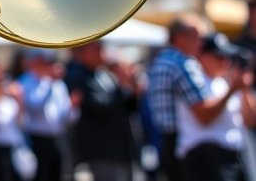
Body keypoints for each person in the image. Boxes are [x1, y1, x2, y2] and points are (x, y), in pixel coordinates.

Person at [146, 14, 247, 181]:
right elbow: (203, 112)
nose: (200, 42)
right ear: (179, 37)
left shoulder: (161, 60)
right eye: (196, 36)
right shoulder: (181, 63)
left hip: (166, 140)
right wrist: (232, 89)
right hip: (184, 145)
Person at [175, 33, 256, 181]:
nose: (225, 62)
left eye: (227, 57)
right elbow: (205, 117)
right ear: (202, 56)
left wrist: (244, 88)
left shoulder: (224, 82)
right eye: (219, 57)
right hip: (205, 159)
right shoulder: (194, 81)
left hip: (233, 157)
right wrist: (233, 90)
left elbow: (251, 120)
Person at [66, 41, 139, 181]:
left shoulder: (105, 75)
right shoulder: (77, 77)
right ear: (82, 53)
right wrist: (123, 87)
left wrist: (132, 88)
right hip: (102, 150)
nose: (101, 52)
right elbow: (101, 108)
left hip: (121, 147)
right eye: (96, 48)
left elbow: (128, 108)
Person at [18, 48, 76, 181]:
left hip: (57, 138)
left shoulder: (58, 85)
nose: (47, 66)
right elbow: (35, 107)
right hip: (36, 139)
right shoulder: (24, 82)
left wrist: (73, 107)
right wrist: (50, 85)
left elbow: (65, 115)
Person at [0, 62, 26, 181]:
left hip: (15, 146)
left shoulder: (10, 99)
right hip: (0, 148)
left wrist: (19, 99)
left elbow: (20, 122)